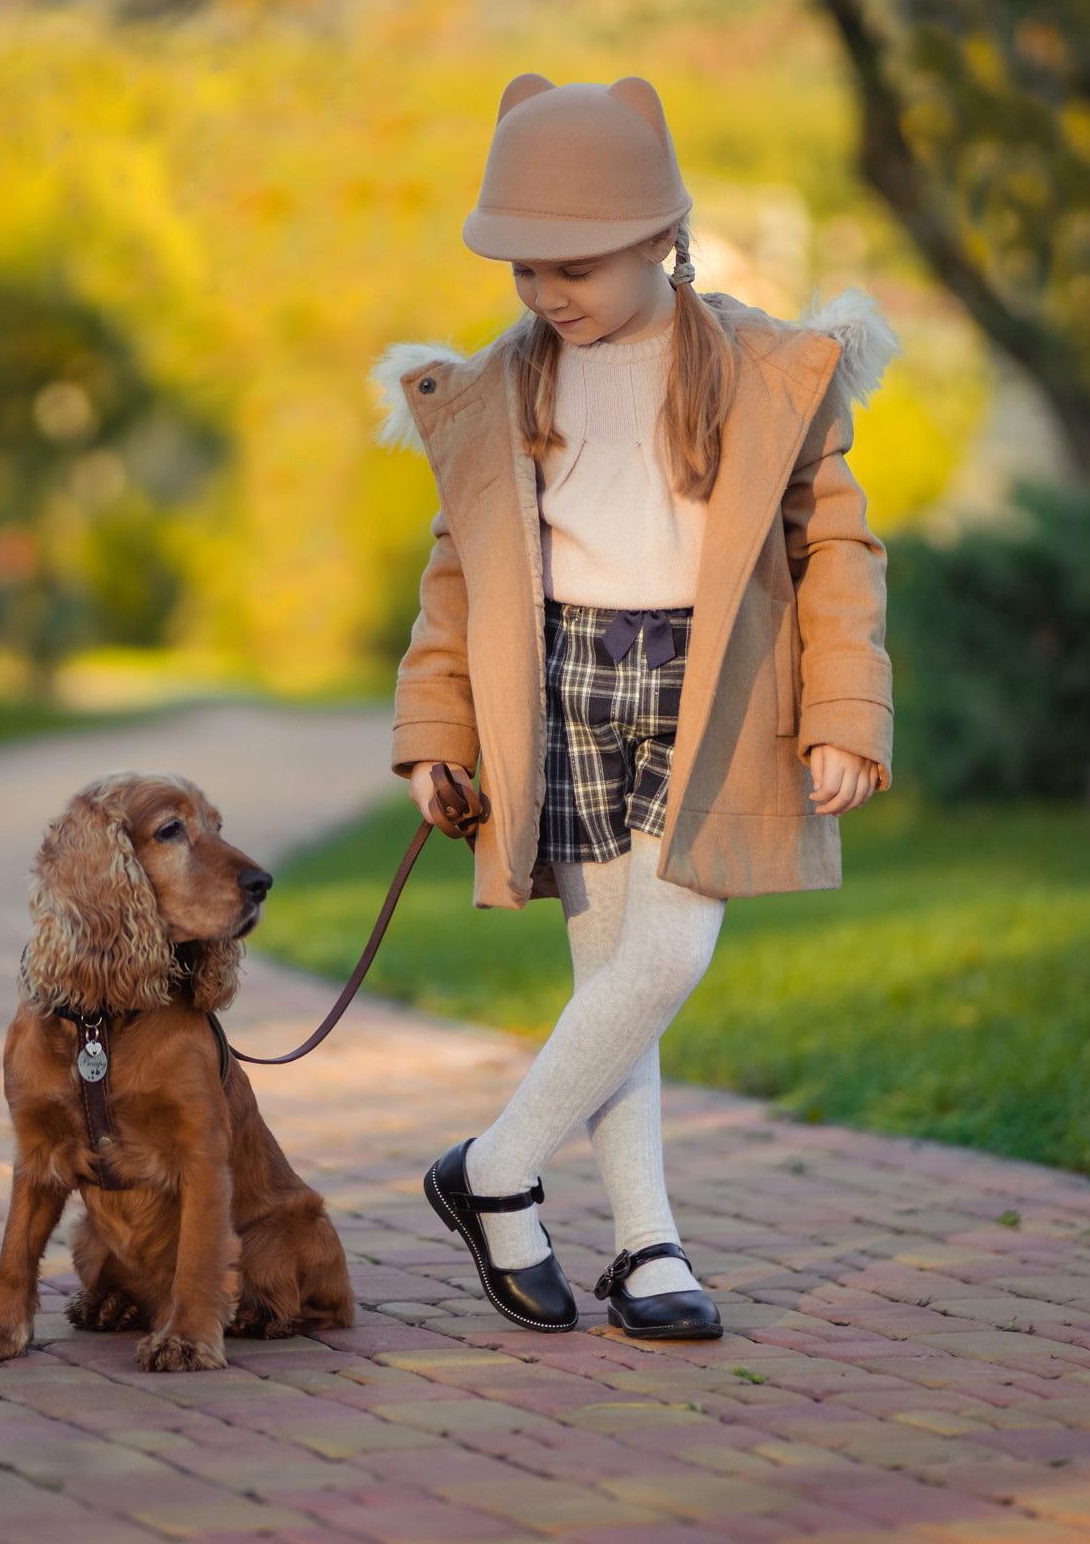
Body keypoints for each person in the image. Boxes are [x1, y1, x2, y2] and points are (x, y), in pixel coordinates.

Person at [376, 74, 898, 1340]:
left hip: (711, 685)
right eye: (524, 271)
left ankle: (493, 1170)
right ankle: (649, 1249)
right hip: (563, 687)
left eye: (577, 266)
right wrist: (438, 732)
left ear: (662, 238)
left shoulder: (763, 370)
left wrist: (844, 708)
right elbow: (460, 571)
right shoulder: (503, 389)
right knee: (618, 977)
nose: (548, 294)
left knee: (667, 953)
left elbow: (834, 546)